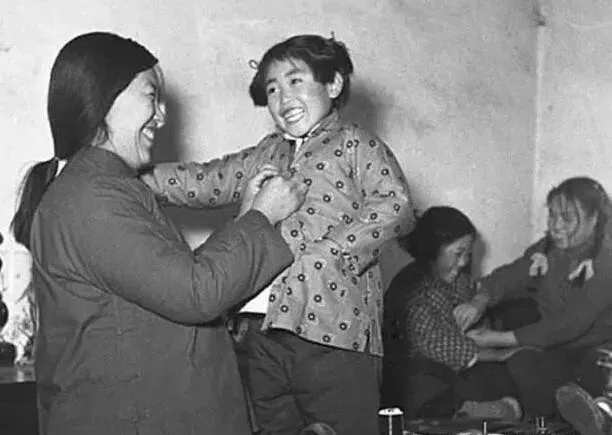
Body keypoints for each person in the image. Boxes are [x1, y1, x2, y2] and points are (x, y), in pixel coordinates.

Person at [10, 31, 308, 435]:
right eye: (151, 96)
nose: (162, 116)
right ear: (104, 99)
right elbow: (196, 295)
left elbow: (183, 282)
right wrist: (262, 216)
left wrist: (247, 219)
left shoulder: (106, 188)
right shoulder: (93, 198)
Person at [143, 34, 413, 434]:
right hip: (260, 331)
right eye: (272, 89)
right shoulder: (265, 152)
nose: (284, 97)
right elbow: (205, 179)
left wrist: (332, 252)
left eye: (295, 81)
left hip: (334, 331)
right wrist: (129, 176)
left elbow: (397, 204)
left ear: (333, 84)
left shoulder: (355, 143)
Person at [455, 176, 612, 424]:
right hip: (557, 348)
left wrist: (499, 339)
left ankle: (589, 413)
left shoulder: (607, 260)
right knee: (519, 362)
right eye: (552, 215)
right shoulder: (549, 248)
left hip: (596, 353)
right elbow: (513, 275)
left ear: (594, 219)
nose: (556, 225)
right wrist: (480, 300)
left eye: (567, 218)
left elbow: (570, 323)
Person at [382, 206, 522, 422]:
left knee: (496, 373)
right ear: (433, 250)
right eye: (458, 254)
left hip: (459, 363)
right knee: (425, 381)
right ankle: (467, 412)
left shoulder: (459, 280)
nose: (464, 261)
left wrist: (479, 311)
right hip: (421, 369)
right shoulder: (411, 288)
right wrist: (501, 354)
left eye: (468, 254)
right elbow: (440, 346)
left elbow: (480, 321)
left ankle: (491, 409)